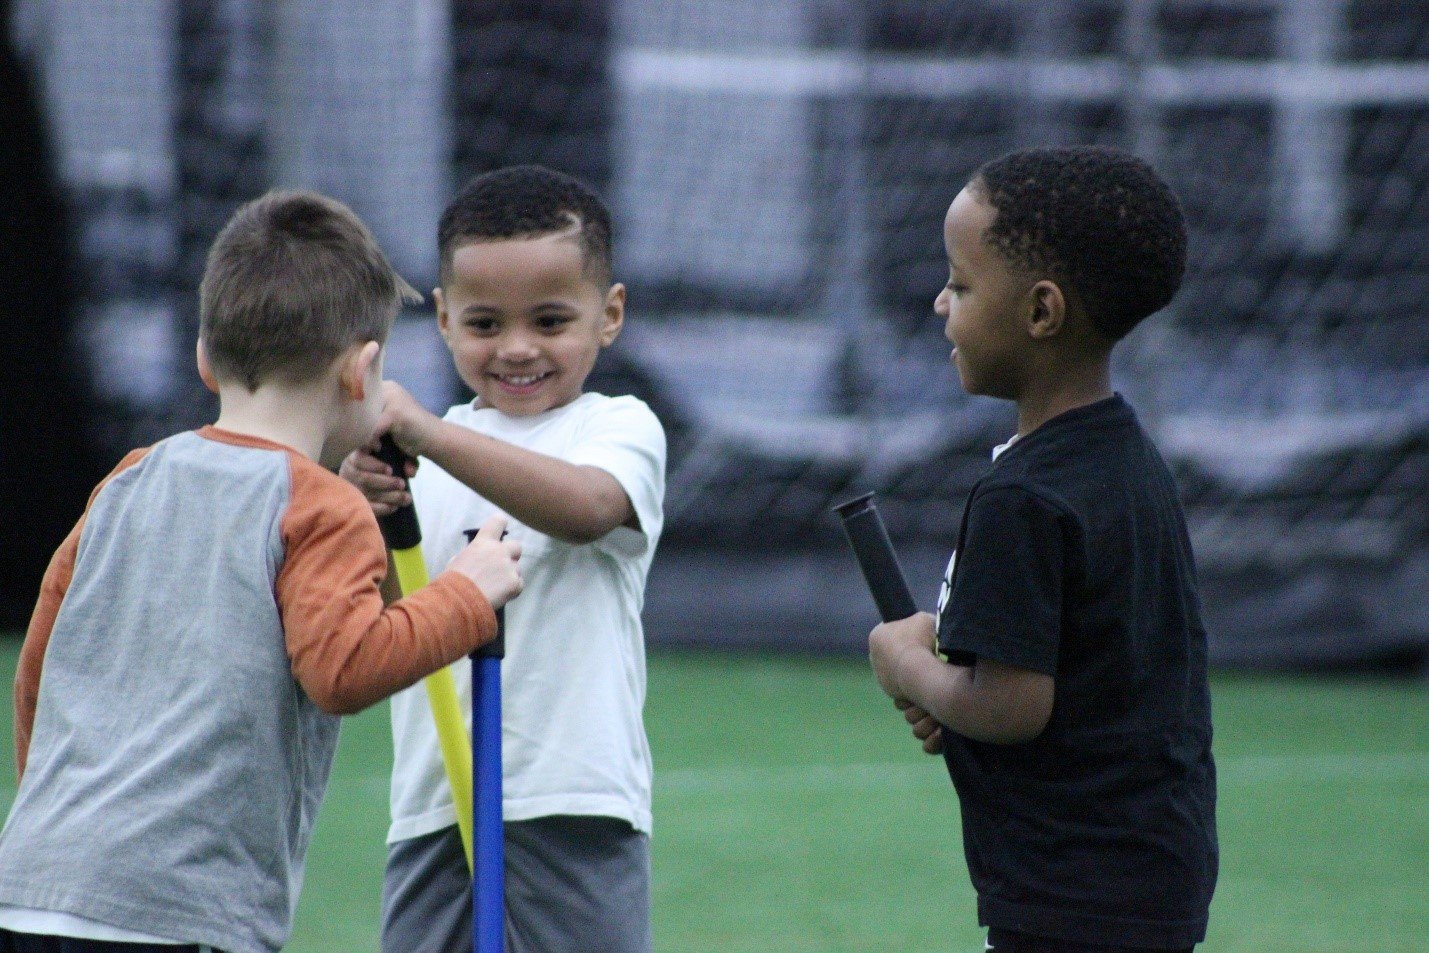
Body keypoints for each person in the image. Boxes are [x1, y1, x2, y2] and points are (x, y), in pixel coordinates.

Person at [0, 191, 523, 953]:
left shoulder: (129, 479)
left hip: (32, 887)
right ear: (362, 370)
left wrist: (65, 826)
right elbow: (342, 668)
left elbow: (36, 675)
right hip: (176, 908)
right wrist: (466, 593)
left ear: (204, 356)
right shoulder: (318, 505)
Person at [868, 146, 1217, 953]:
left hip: (1071, 887)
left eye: (959, 284)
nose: (937, 304)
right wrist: (955, 682)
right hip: (1149, 867)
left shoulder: (1022, 497)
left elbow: (1013, 707)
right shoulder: (1127, 454)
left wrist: (908, 665)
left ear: (1040, 311)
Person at [341, 165, 665, 953]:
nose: (517, 349)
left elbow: (587, 510)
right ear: (445, 319)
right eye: (486, 324)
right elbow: (385, 606)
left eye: (550, 320)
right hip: (432, 807)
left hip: (572, 804)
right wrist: (364, 505)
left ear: (609, 314)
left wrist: (436, 437)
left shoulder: (617, 427)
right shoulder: (415, 449)